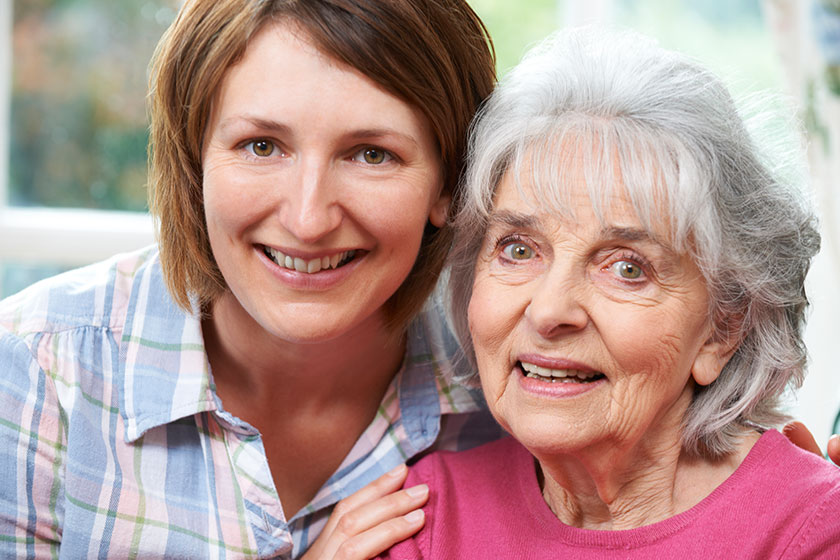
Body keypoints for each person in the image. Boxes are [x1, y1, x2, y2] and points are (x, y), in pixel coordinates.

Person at [0, 1, 502, 558]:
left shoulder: (505, 395)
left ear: (450, 182)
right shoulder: (34, 373)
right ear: (193, 159)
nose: (308, 220)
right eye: (261, 146)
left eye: (371, 154)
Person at [382, 27, 840, 559]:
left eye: (626, 268)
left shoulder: (808, 531)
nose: (550, 311)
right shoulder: (421, 514)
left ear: (722, 327)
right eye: (518, 250)